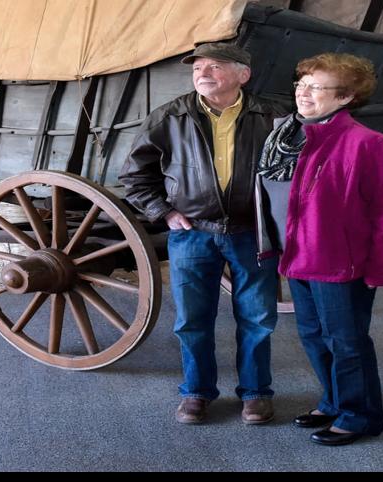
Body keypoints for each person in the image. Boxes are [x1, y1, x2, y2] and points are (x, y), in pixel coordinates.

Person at [120, 43, 289, 425]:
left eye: (215, 66)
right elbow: (134, 175)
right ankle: (196, 392)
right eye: (198, 67)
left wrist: (281, 220)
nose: (202, 73)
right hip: (193, 233)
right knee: (193, 319)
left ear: (243, 74)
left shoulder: (273, 116)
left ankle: (256, 393)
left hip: (252, 233)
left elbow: (292, 173)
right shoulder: (170, 116)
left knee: (258, 318)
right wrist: (163, 212)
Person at [254, 53, 383, 446]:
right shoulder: (288, 137)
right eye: (301, 85)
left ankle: (359, 415)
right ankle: (335, 400)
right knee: (314, 337)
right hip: (296, 256)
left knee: (347, 341)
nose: (303, 93)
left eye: (316, 87)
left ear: (346, 97)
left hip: (340, 262)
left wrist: (382, 268)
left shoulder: (369, 144)